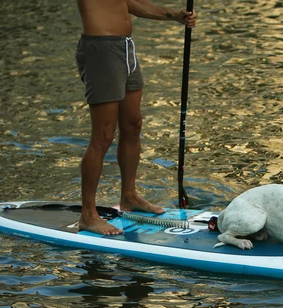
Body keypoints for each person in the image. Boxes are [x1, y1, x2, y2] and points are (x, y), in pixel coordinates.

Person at [75, 0, 197, 235]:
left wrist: (174, 15)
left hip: (125, 47)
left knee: (133, 125)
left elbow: (128, 2)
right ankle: (88, 214)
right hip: (100, 49)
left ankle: (129, 196)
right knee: (103, 135)